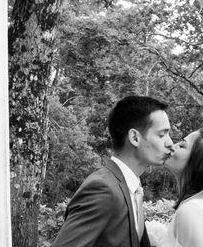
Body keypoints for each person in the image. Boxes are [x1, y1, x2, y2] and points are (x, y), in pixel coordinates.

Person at [52, 95, 175, 247]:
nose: (170, 143)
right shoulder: (103, 189)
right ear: (135, 137)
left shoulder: (133, 188)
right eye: (162, 135)